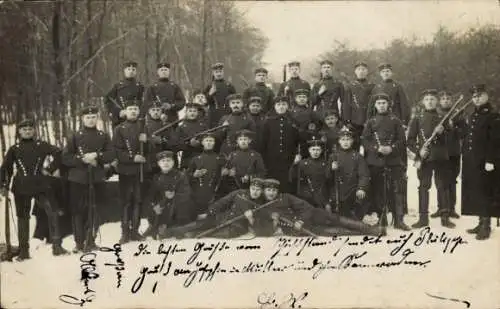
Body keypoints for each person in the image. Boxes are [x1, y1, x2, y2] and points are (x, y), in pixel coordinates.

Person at [0, 119, 68, 260]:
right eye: (24, 129)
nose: (27, 131)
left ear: (34, 131)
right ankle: (24, 252)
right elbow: (5, 168)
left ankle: (57, 246)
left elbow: (59, 153)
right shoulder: (14, 148)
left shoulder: (41, 145)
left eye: (30, 129)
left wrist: (50, 169)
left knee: (53, 212)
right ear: (19, 132)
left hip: (41, 185)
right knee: (22, 218)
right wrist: (3, 185)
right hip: (21, 187)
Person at [63, 105, 115, 252]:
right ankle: (79, 242)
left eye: (93, 117)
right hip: (78, 179)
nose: (91, 120)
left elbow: (111, 154)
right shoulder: (75, 136)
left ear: (97, 118)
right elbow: (66, 157)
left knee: (95, 209)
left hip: (97, 178)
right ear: (82, 119)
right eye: (88, 117)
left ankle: (91, 240)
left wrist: (97, 156)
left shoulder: (103, 136)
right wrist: (82, 159)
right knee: (77, 210)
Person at [260, 179, 385, 236]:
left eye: (273, 190)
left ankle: (375, 230)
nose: (271, 193)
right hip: (299, 230)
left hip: (315, 215)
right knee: (338, 232)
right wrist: (275, 223)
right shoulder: (263, 208)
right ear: (264, 192)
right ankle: (369, 232)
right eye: (268, 190)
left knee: (341, 221)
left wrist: (301, 220)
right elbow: (264, 231)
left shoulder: (286, 197)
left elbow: (307, 207)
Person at [407, 89, 456, 229]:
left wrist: (444, 132)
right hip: (425, 157)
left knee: (443, 186)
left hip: (441, 157)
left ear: (437, 101)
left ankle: (445, 218)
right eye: (427, 99)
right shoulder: (417, 118)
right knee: (423, 187)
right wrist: (419, 151)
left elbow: (452, 140)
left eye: (433, 99)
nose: (430, 101)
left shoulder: (444, 117)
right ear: (423, 102)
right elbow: (410, 140)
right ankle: (423, 219)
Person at [362, 93, 411, 231]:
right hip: (376, 161)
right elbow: (365, 140)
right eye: (379, 103)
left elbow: (402, 140)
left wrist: (391, 148)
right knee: (378, 190)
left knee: (397, 190)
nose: (381, 105)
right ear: (375, 106)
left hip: (393, 160)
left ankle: (398, 219)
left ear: (388, 104)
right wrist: (377, 148)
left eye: (384, 103)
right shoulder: (370, 122)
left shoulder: (396, 121)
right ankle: (381, 218)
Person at [461, 84, 500, 240]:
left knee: (485, 192)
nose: (476, 98)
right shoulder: (473, 115)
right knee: (476, 190)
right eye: (474, 96)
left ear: (486, 96)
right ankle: (480, 221)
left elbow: (495, 141)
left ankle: (486, 225)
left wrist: (491, 160)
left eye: (479, 95)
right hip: (473, 160)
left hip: (485, 161)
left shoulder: (493, 116)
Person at [112, 100, 151, 243]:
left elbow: (149, 150)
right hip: (126, 171)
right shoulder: (119, 129)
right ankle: (125, 232)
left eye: (135, 109)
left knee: (138, 201)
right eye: (130, 109)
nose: (133, 111)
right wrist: (133, 157)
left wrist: (146, 141)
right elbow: (116, 151)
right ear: (125, 112)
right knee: (126, 201)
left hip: (141, 171)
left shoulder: (143, 127)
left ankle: (135, 230)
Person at [143, 151, 193, 239]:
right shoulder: (157, 177)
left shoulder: (180, 176)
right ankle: (154, 225)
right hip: (162, 207)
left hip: (176, 209)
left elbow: (186, 193)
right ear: (159, 163)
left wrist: (175, 196)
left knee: (178, 206)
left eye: (168, 160)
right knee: (151, 206)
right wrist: (155, 206)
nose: (166, 163)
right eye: (163, 161)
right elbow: (151, 195)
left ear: (173, 162)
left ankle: (169, 228)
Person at [260, 96, 301, 193]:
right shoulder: (268, 122)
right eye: (278, 104)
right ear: (274, 106)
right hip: (271, 160)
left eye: (284, 104)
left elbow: (298, 141)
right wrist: (264, 160)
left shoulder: (293, 121)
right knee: (272, 183)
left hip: (288, 160)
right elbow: (263, 143)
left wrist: (297, 155)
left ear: (287, 106)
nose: (281, 107)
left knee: (286, 184)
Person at [432, 91, 462, 219]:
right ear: (439, 101)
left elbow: (463, 132)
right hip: (439, 153)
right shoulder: (436, 115)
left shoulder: (459, 114)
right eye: (443, 99)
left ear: (451, 100)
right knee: (440, 181)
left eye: (448, 99)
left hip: (453, 152)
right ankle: (441, 208)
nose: (445, 101)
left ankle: (452, 208)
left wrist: (453, 126)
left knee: (452, 180)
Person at [329, 127, 370, 220]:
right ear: (339, 141)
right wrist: (331, 169)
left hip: (352, 191)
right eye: (343, 139)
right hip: (338, 191)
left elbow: (364, 175)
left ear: (352, 141)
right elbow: (328, 178)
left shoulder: (357, 157)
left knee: (354, 215)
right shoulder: (333, 156)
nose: (345, 142)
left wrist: (361, 188)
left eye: (348, 139)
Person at [186, 133, 226, 218]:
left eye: (211, 141)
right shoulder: (196, 159)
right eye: (206, 141)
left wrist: (225, 172)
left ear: (214, 143)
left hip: (214, 193)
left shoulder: (220, 159)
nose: (209, 143)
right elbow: (186, 177)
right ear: (202, 143)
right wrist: (194, 175)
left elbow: (223, 178)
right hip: (198, 194)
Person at [289, 138, 332, 210]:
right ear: (309, 150)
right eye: (313, 149)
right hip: (306, 196)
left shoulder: (325, 164)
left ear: (321, 151)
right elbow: (292, 177)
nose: (315, 152)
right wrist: (295, 164)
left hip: (322, 197)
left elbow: (329, 180)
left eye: (318, 150)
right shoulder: (302, 163)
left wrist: (326, 202)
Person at [220, 129, 266, 195]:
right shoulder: (232, 155)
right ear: (237, 141)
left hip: (250, 189)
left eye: (245, 139)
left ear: (249, 140)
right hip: (233, 188)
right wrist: (227, 172)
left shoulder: (256, 155)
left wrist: (250, 177)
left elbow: (262, 173)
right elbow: (226, 171)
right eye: (240, 139)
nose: (243, 141)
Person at [342, 61, 375, 150]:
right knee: (354, 146)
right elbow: (346, 104)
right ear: (355, 72)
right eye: (359, 69)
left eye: (363, 69)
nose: (361, 71)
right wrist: (346, 120)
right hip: (354, 121)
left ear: (367, 72)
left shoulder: (372, 86)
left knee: (369, 146)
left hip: (369, 120)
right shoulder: (350, 86)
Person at [105, 61, 145, 128]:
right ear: (124, 71)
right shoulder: (117, 86)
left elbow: (144, 103)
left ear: (136, 72)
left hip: (136, 120)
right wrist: (118, 112)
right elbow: (108, 101)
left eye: (133, 69)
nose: (131, 71)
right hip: (120, 120)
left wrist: (138, 113)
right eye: (128, 69)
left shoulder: (140, 87)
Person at [175, 103, 209, 169]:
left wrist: (201, 142)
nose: (192, 113)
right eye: (190, 111)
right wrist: (189, 144)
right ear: (186, 112)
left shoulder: (203, 126)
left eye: (194, 111)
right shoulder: (181, 127)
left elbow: (208, 138)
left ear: (197, 112)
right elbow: (177, 144)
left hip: (201, 155)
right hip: (187, 157)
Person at [204, 62, 237, 127]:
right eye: (216, 72)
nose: (219, 74)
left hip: (227, 113)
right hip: (213, 114)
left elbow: (235, 100)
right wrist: (210, 94)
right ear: (213, 73)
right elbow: (205, 102)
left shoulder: (229, 85)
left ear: (223, 72)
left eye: (220, 71)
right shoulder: (209, 86)